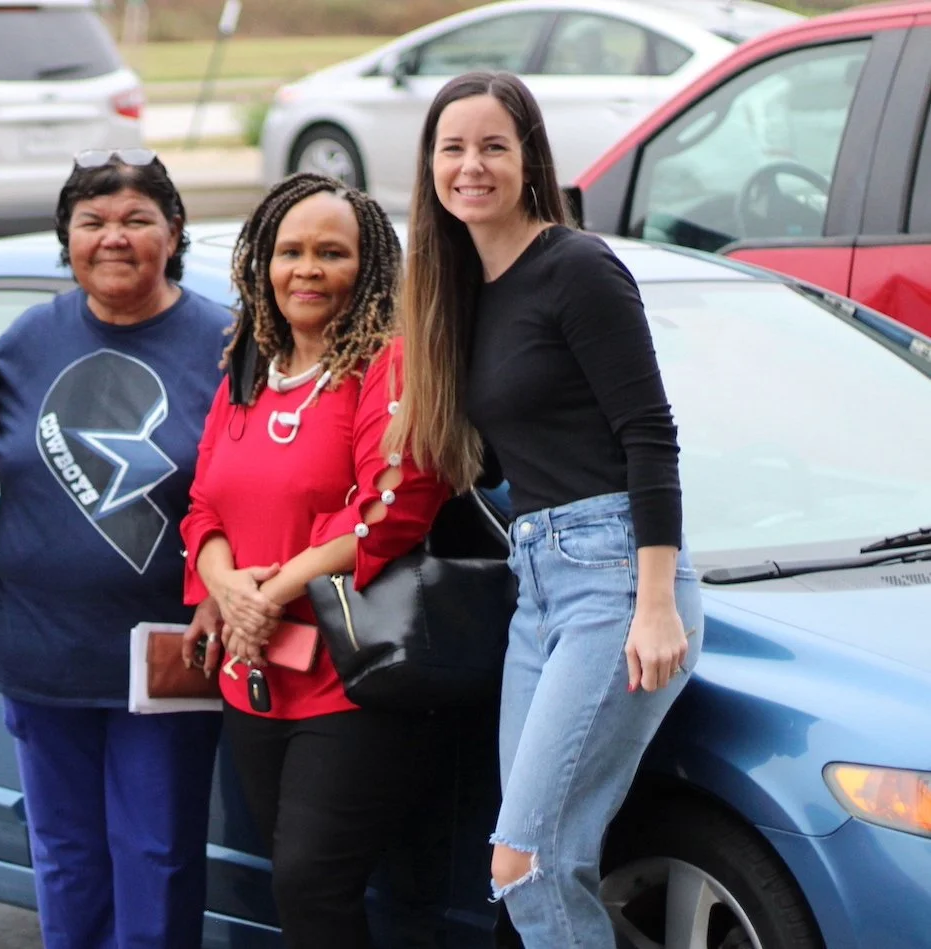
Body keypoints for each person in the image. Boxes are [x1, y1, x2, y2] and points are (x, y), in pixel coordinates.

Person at [389, 72, 704, 947]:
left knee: (523, 860)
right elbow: (503, 459)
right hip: (536, 585)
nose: (471, 166)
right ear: (428, 166)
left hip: (614, 578)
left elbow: (649, 435)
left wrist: (654, 602)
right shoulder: (465, 290)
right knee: (537, 862)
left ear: (528, 159)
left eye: (493, 146)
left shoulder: (576, 267)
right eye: (452, 148)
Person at [178, 173, 451, 949]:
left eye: (331, 253)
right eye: (289, 250)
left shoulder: (389, 367)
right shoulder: (248, 370)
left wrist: (272, 590)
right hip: (253, 671)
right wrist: (228, 588)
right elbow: (201, 505)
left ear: (367, 268)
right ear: (261, 262)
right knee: (295, 891)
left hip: (350, 678)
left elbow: (391, 507)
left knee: (311, 881)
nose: (306, 268)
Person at [0, 149, 230, 949]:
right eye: (91, 221)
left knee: (157, 856)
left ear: (173, 231)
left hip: (168, 651)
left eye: (135, 220)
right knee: (66, 860)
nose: (112, 237)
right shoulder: (27, 340)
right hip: (41, 647)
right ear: (68, 238)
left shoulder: (226, 344)